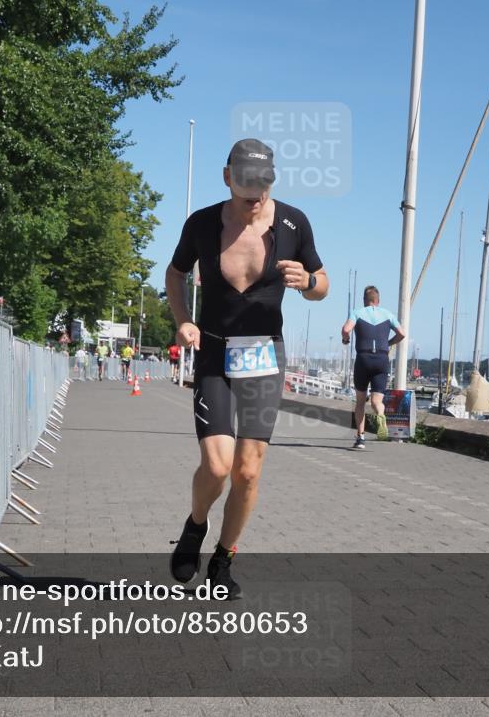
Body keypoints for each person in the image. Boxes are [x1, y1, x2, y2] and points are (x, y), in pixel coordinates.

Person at [165, 138, 329, 598]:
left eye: (262, 187)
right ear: (227, 179)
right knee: (217, 468)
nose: (255, 198)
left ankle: (223, 560)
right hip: (216, 352)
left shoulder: (294, 222)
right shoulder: (201, 223)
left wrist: (309, 281)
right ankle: (195, 527)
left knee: (249, 471)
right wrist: (183, 321)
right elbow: (174, 273)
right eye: (245, 189)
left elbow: (324, 285)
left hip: (263, 356)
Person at [341, 286, 405, 450]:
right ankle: (381, 415)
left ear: (365, 300)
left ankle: (360, 438)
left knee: (361, 402)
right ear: (378, 300)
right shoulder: (388, 314)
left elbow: (346, 329)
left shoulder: (357, 312)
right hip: (382, 359)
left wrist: (346, 339)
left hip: (364, 359)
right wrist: (389, 343)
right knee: (377, 401)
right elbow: (402, 333)